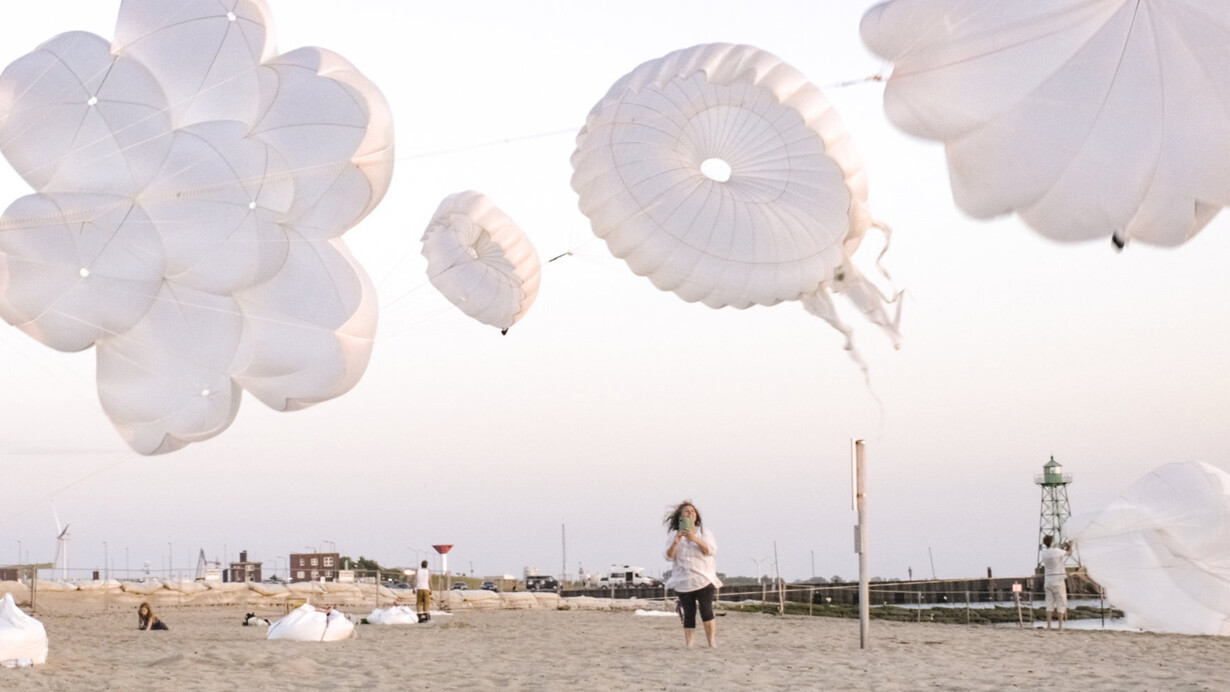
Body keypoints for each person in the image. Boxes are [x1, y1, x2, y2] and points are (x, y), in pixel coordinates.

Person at [664, 500, 722, 648]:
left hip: (704, 578)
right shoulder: (673, 535)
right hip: (683, 580)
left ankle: (711, 642)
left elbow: (710, 550)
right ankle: (689, 643)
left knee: (706, 609)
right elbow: (668, 556)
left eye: (693, 512)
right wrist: (676, 542)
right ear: (680, 517)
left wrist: (694, 539)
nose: (691, 514)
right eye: (687, 512)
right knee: (688, 612)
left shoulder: (704, 533)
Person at [1039, 535, 1073, 630]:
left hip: (1048, 580)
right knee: (1061, 603)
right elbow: (1069, 553)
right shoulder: (1057, 551)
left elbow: (1057, 553)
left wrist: (1062, 547)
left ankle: (1049, 626)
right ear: (1052, 542)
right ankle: (1060, 626)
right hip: (1058, 580)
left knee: (1049, 603)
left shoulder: (1044, 553)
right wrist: (1070, 545)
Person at [415, 559, 432, 623]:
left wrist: (414, 588)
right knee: (426, 602)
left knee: (419, 602)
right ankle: (426, 614)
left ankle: (419, 615)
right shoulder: (428, 571)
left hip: (419, 588)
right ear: (427, 565)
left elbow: (415, 579)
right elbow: (429, 581)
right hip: (426, 588)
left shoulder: (418, 571)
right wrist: (431, 589)